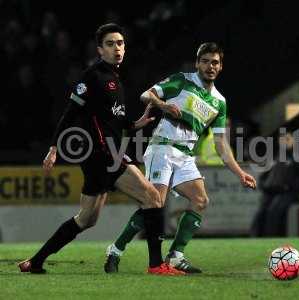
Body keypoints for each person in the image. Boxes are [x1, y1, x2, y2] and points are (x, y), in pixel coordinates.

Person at [18, 23, 183, 275]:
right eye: (110, 44)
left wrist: (134, 124)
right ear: (99, 49)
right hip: (104, 154)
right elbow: (70, 113)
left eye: (120, 43)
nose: (117, 48)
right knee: (153, 197)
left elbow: (113, 120)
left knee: (86, 219)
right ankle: (156, 265)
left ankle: (35, 261)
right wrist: (53, 147)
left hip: (102, 155)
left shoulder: (115, 79)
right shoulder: (93, 76)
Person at [104, 42, 257, 273]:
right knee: (155, 203)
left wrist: (240, 173)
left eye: (214, 62)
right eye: (205, 61)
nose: (209, 66)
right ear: (197, 63)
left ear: (221, 66)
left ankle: (176, 256)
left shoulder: (219, 102)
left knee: (200, 200)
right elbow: (146, 95)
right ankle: (116, 250)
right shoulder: (182, 80)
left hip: (185, 156)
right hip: (162, 148)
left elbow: (220, 144)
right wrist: (163, 105)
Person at [250, 131, 299, 237]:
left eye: (287, 139)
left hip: (287, 192)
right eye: (282, 139)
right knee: (261, 212)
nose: (284, 141)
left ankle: (271, 237)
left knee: (274, 211)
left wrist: (290, 187)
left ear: (294, 141)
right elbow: (264, 175)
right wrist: (264, 186)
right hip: (271, 191)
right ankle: (256, 237)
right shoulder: (274, 156)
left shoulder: (297, 157)